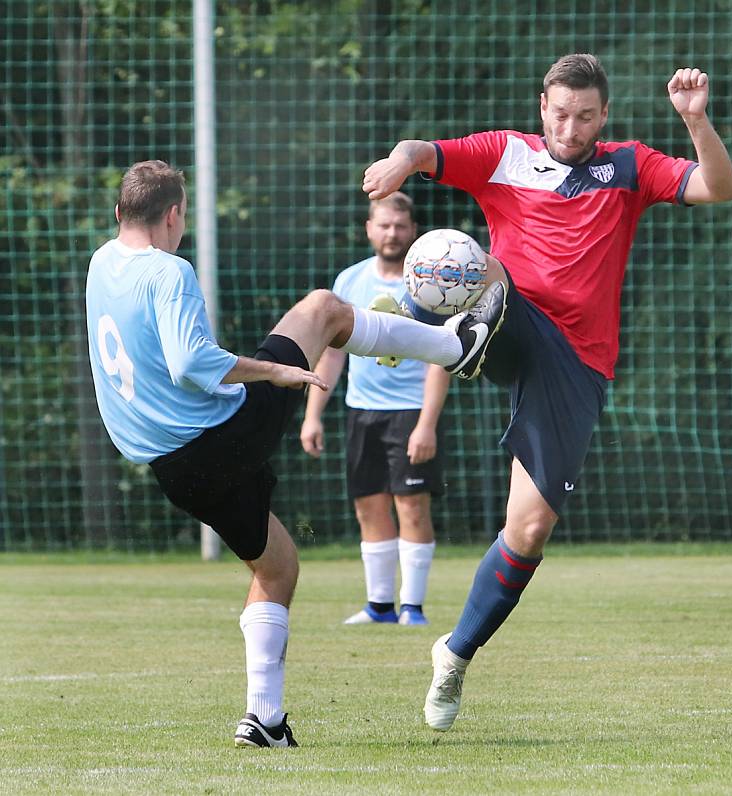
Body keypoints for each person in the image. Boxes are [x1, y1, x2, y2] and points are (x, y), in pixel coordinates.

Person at [362, 55, 732, 731]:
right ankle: (420, 324)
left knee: (528, 532)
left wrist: (696, 120)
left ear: (604, 116)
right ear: (543, 107)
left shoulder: (630, 165)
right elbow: (424, 151)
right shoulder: (505, 153)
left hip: (578, 362)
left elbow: (718, 187)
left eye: (585, 116)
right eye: (560, 113)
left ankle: (455, 652)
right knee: (470, 262)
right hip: (514, 314)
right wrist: (399, 161)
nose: (570, 128)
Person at [85, 160, 505, 748]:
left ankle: (265, 721)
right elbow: (191, 362)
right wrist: (275, 371)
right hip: (222, 434)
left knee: (278, 566)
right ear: (174, 213)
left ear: (118, 213)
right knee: (322, 309)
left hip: (170, 467)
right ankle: (453, 344)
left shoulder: (102, 262)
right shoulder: (167, 270)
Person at [300, 193, 450, 627]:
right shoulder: (349, 282)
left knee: (412, 508)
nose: (392, 234)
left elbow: (440, 358)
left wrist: (427, 424)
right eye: (384, 225)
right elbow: (332, 354)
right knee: (368, 506)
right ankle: (380, 607)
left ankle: (413, 609)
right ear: (370, 229)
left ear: (413, 230)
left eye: (400, 226)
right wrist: (313, 414)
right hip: (360, 412)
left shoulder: (429, 285)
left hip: (409, 412)